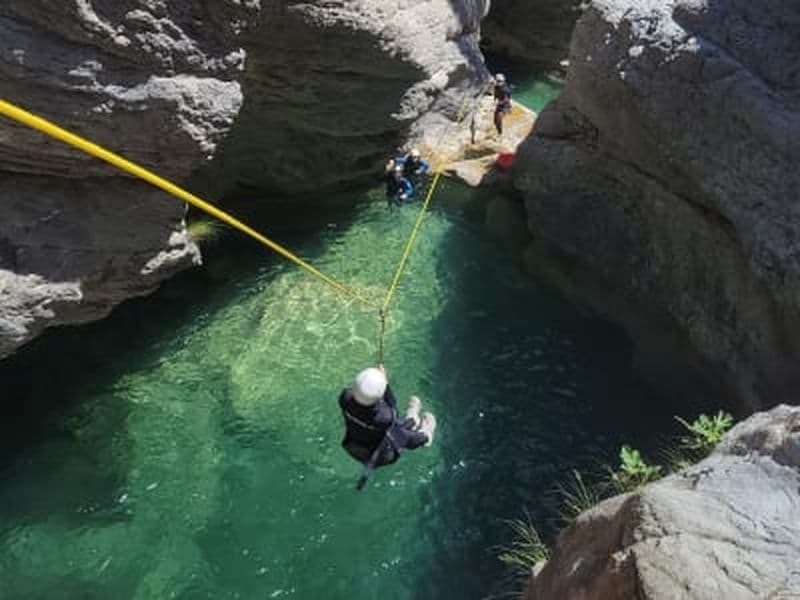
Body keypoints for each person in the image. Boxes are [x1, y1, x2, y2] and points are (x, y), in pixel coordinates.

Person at [339, 365, 436, 489]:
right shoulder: (385, 417)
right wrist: (385, 382)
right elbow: (393, 407)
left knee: (389, 428)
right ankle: (425, 436)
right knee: (402, 435)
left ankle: (412, 420)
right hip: (382, 455)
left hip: (353, 446)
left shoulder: (344, 398)